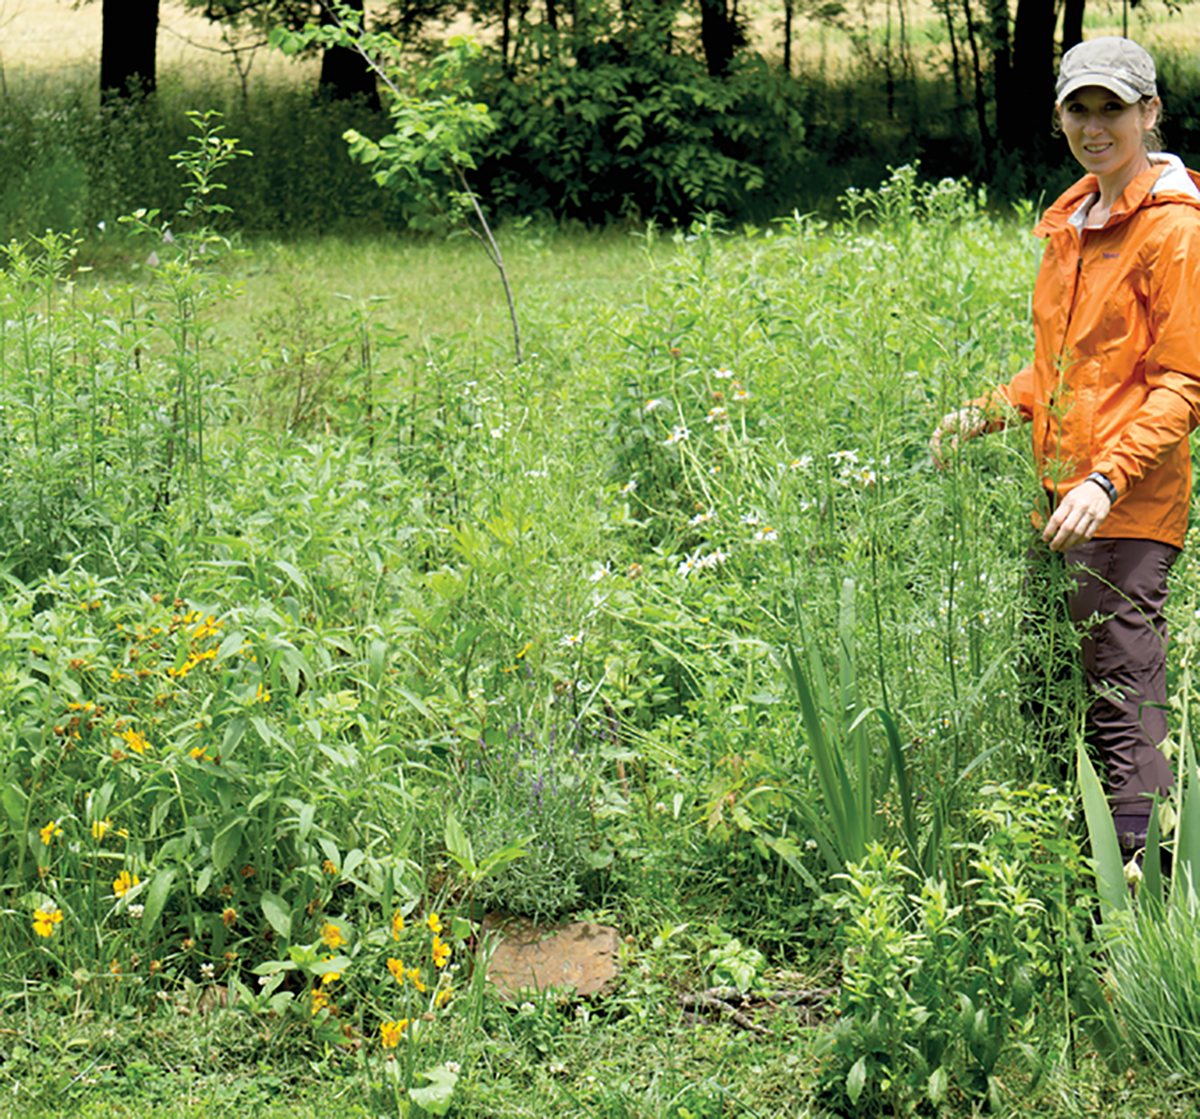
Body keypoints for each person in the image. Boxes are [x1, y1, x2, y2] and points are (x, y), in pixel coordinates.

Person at [932, 36, 1200, 858]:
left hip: (1123, 507)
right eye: (1079, 108)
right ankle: (1058, 878)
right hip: (1060, 504)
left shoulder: (1174, 229)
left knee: (1122, 708)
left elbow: (1184, 381)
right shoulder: (1074, 221)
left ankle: (1136, 913)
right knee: (1048, 693)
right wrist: (986, 410)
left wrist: (1108, 480)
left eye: (1112, 108)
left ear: (1148, 113)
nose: (1095, 125)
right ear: (1059, 117)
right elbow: (1065, 364)